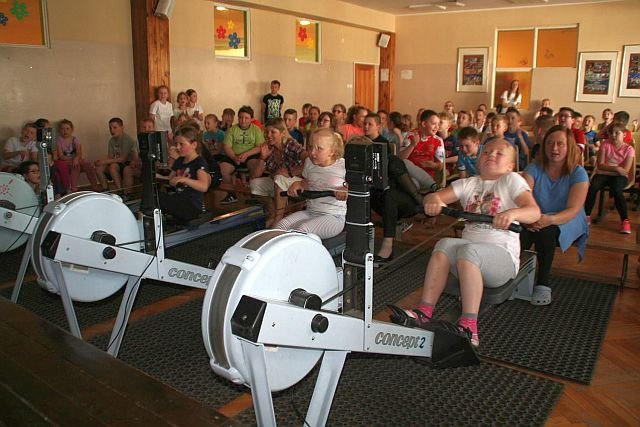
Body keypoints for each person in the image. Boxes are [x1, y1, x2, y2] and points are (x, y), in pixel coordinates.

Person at [390, 138, 541, 346]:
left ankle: (469, 326)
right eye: (486, 152)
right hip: (467, 260)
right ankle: (424, 312)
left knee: (469, 251)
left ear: (510, 165)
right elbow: (435, 197)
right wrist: (433, 201)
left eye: (499, 153)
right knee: (444, 244)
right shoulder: (469, 183)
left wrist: (512, 213)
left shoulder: (511, 180)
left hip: (501, 259)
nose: (491, 155)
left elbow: (534, 212)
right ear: (478, 160)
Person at [520, 125, 589, 306]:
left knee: (546, 232)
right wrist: (529, 218)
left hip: (566, 218)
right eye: (550, 143)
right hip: (536, 214)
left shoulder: (578, 173)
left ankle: (543, 282)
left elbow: (573, 209)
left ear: (569, 146)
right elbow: (523, 195)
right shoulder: (534, 168)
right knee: (520, 231)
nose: (554, 148)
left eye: (560, 144)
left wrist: (548, 220)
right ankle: (511, 275)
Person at [274, 128, 347, 239]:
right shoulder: (309, 163)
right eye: (310, 147)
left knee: (301, 230)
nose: (312, 152)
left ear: (332, 152)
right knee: (279, 227)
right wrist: (299, 184)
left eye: (319, 149)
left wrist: (345, 190)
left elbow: (355, 188)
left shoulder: (342, 166)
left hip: (334, 216)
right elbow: (308, 182)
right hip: (311, 211)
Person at [249, 118, 306, 226]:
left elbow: (309, 161)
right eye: (267, 132)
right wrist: (262, 157)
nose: (268, 135)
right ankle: (273, 212)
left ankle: (278, 219)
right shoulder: (269, 147)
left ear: (282, 133)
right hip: (279, 182)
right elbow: (255, 175)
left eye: (273, 132)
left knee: (279, 177)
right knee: (254, 184)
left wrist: (290, 172)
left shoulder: (290, 144)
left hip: (298, 181)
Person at [584, 123, 635, 234]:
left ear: (624, 134)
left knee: (617, 191)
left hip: (619, 176)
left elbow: (625, 170)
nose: (613, 135)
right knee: (593, 187)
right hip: (606, 174)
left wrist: (607, 169)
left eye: (617, 133)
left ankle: (625, 221)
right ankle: (586, 215)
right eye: (611, 133)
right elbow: (600, 165)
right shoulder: (605, 145)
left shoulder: (629, 149)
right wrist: (617, 168)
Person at [158, 126, 210, 222]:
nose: (178, 147)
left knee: (160, 200)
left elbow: (204, 186)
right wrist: (155, 176)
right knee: (156, 197)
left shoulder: (199, 162)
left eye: (181, 144)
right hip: (179, 199)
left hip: (192, 205)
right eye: (176, 144)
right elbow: (170, 179)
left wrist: (185, 180)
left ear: (194, 145)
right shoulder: (180, 160)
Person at [219, 105, 265, 204]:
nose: (243, 120)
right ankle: (231, 195)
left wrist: (246, 154)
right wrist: (234, 157)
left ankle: (254, 194)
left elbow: (260, 147)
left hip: (250, 156)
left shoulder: (256, 130)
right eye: (240, 117)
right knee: (223, 168)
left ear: (251, 119)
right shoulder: (232, 130)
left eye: (246, 118)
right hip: (234, 156)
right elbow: (227, 147)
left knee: (257, 166)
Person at [94, 117, 141, 199]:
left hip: (127, 163)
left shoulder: (127, 140)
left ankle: (120, 191)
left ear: (122, 127)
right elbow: (110, 157)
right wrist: (101, 162)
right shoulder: (111, 141)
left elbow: (123, 159)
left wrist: (104, 161)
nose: (112, 130)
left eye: (115, 127)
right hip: (117, 162)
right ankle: (106, 190)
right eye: (110, 128)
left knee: (113, 167)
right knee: (99, 168)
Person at [53, 119, 100, 193]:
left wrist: (76, 158)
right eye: (62, 129)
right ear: (59, 130)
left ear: (72, 130)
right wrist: (72, 159)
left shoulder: (74, 139)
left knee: (88, 164)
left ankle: (95, 186)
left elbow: (79, 153)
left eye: (67, 129)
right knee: (76, 166)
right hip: (66, 160)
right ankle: (74, 189)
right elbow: (61, 156)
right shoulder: (59, 140)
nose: (65, 131)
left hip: (76, 159)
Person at [400, 109, 444, 180]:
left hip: (427, 175)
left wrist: (434, 165)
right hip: (411, 175)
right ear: (424, 124)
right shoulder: (411, 135)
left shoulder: (438, 140)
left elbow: (441, 165)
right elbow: (401, 158)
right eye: (434, 124)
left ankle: (430, 184)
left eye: (438, 124)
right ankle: (432, 185)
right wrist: (412, 145)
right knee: (406, 163)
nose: (437, 127)